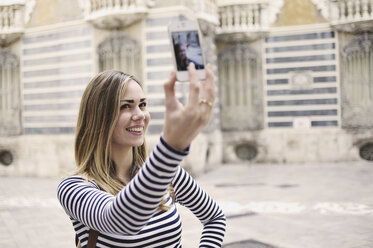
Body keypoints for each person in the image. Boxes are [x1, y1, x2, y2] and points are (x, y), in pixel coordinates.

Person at [57, 63, 226, 247]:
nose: (140, 115)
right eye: (126, 106)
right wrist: (171, 146)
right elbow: (122, 220)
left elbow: (215, 218)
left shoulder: (169, 175)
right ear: (100, 117)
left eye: (142, 105)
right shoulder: (74, 188)